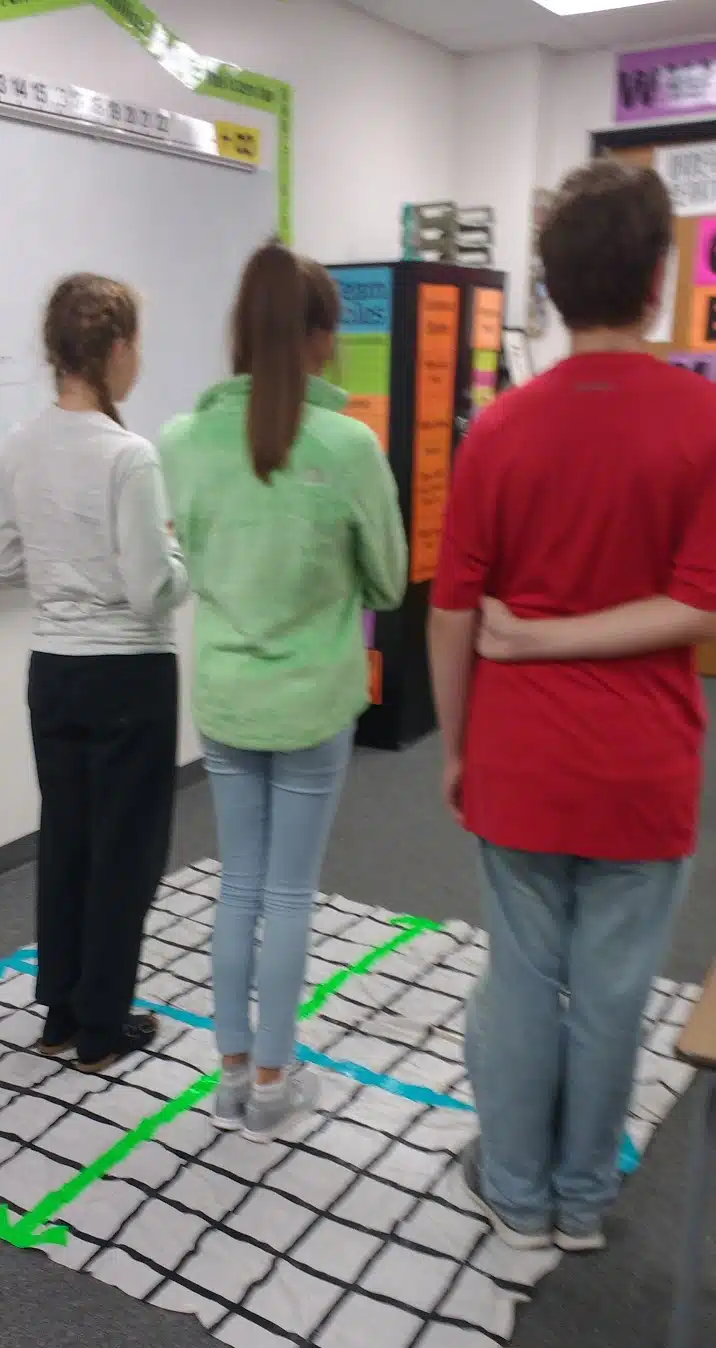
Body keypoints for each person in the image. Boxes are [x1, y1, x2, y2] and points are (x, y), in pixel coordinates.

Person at [429, 158, 716, 1255]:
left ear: (548, 282)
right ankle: (584, 1195)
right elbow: (699, 604)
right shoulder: (702, 421)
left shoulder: (499, 429)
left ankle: (515, 1184)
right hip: (646, 769)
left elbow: (453, 617)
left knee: (522, 982)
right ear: (657, 278)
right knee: (613, 993)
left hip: (519, 758)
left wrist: (460, 747)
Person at [160, 242, 407, 1143]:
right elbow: (388, 582)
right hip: (311, 701)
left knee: (239, 887)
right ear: (319, 339)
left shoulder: (182, 441)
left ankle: (229, 1079)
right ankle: (274, 1081)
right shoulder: (348, 445)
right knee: (290, 895)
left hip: (226, 697)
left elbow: (186, 555)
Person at [0, 272, 188, 1072]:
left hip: (53, 670)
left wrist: (63, 567)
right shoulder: (127, 455)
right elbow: (153, 587)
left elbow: (2, 559)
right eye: (135, 344)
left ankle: (61, 1013)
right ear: (112, 350)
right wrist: (181, 550)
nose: (137, 360)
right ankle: (105, 1025)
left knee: (67, 838)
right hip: (129, 675)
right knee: (125, 852)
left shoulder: (18, 444)